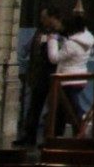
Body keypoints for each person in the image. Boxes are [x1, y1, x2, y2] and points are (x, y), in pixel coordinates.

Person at [13, 8, 60, 147]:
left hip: (50, 76)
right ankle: (29, 135)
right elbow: (29, 49)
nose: (42, 19)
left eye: (44, 17)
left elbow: (55, 56)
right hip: (38, 75)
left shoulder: (57, 34)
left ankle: (50, 138)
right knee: (34, 107)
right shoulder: (40, 31)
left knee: (51, 109)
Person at [45, 9, 94, 137]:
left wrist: (52, 41)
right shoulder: (87, 39)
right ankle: (59, 134)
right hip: (79, 77)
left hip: (68, 79)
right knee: (63, 108)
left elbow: (54, 58)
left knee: (72, 108)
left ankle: (79, 131)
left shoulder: (72, 44)